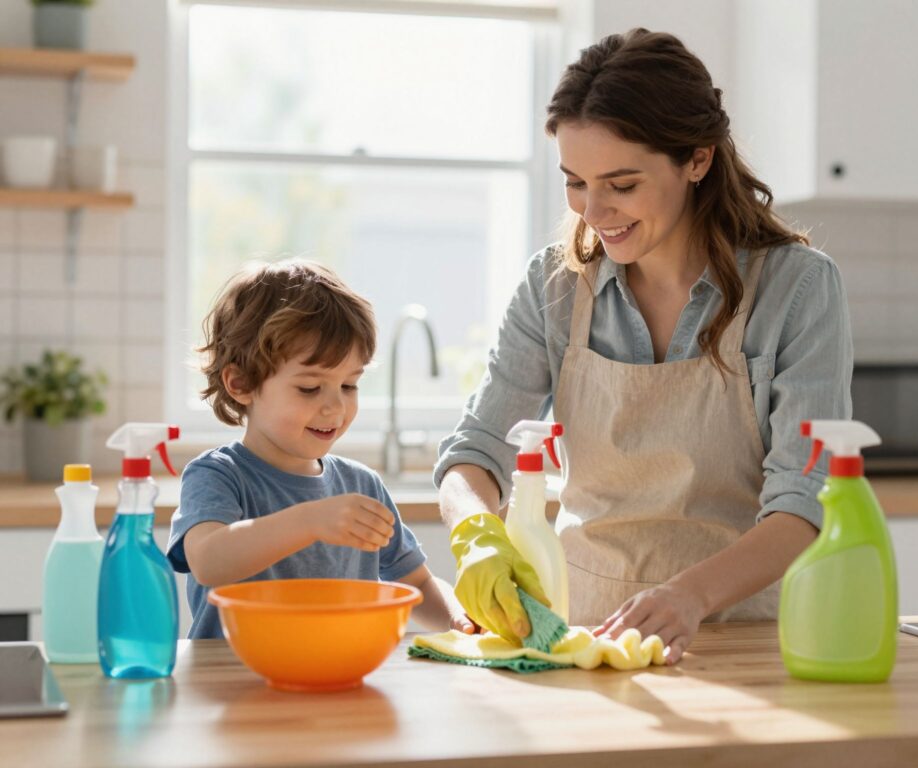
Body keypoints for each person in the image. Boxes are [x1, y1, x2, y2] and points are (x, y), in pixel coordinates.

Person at [435, 29, 853, 664]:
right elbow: (477, 450)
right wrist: (474, 532)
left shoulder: (797, 288)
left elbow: (805, 498)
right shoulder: (552, 286)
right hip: (585, 640)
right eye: (575, 182)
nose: (593, 210)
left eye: (621, 184)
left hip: (747, 640)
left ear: (697, 160)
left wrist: (687, 597)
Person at [168, 259, 473, 639]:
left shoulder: (361, 485)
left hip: (337, 678)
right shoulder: (218, 475)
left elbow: (419, 585)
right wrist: (310, 521)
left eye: (349, 386)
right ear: (241, 383)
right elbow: (208, 560)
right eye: (310, 388)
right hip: (235, 684)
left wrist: (460, 618)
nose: (336, 407)